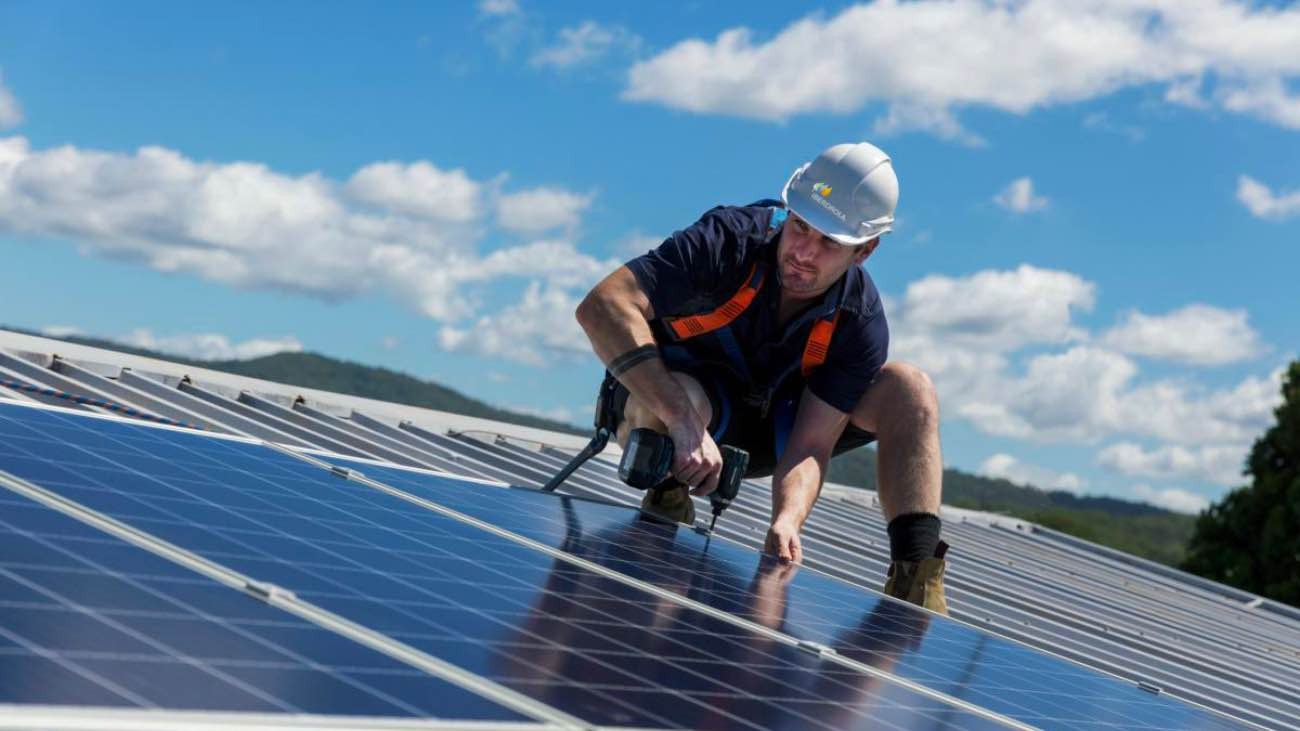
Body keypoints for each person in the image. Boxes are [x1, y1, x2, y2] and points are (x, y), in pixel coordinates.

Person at [574, 142, 948, 614]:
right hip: (676, 412)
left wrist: (788, 520)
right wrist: (684, 421)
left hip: (774, 433)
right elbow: (602, 305)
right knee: (685, 398)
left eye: (829, 243)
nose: (803, 253)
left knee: (910, 389)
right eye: (800, 228)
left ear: (865, 251)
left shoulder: (859, 321)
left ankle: (916, 587)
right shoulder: (727, 241)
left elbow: (811, 445)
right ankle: (667, 498)